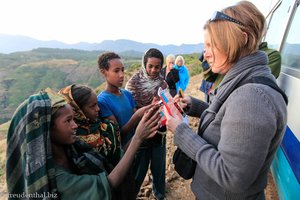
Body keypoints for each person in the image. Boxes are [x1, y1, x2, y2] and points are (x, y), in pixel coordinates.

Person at [164, 1, 287, 199]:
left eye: (212, 44)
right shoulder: (246, 82)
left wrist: (182, 132)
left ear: (240, 40)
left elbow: (232, 176)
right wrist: (195, 106)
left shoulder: (253, 98)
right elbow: (228, 121)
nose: (206, 53)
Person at [6, 88, 161, 200]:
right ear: (47, 130)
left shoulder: (74, 148)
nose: (75, 126)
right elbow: (107, 184)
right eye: (68, 121)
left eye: (74, 119)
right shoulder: (56, 177)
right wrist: (138, 138)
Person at [125, 48, 167, 200]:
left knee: (159, 167)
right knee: (139, 169)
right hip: (141, 133)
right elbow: (131, 111)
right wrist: (149, 106)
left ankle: (160, 194)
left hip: (160, 131)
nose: (154, 70)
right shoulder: (133, 84)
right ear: (144, 64)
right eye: (150, 66)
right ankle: (132, 195)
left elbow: (166, 105)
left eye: (157, 67)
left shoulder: (162, 83)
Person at [200, 27, 281, 103]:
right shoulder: (231, 51)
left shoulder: (271, 55)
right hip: (215, 98)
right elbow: (209, 78)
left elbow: (251, 90)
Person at [58, 84, 121, 170]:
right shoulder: (71, 140)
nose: (98, 109)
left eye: (97, 104)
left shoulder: (106, 127)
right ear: (78, 111)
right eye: (92, 106)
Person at [97, 51, 152, 149]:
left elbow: (137, 123)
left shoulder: (127, 94)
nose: (121, 75)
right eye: (116, 71)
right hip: (123, 152)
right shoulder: (102, 101)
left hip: (138, 147)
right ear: (103, 72)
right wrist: (137, 115)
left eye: (122, 70)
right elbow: (117, 133)